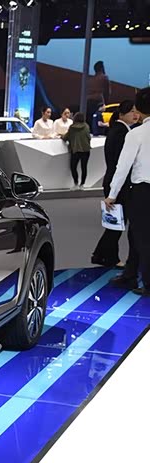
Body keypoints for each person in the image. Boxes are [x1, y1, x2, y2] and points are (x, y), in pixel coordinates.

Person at [105, 87, 150, 296]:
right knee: (138, 236)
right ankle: (131, 274)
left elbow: (122, 167)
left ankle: (146, 283)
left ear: (139, 108)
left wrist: (112, 194)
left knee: (142, 237)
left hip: (143, 192)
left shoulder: (136, 134)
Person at [93, 100, 139, 271]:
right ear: (122, 114)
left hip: (115, 182)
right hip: (118, 183)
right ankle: (108, 257)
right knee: (117, 222)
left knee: (116, 222)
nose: (135, 115)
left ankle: (102, 255)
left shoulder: (119, 130)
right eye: (131, 111)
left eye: (136, 111)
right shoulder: (121, 133)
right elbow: (122, 164)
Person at [63, 112, 92, 190]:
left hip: (75, 150)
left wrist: (62, 136)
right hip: (86, 149)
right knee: (84, 167)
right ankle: (82, 184)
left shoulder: (72, 128)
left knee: (73, 167)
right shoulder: (86, 126)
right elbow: (89, 137)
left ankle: (76, 183)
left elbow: (66, 137)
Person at [87, 61, 111, 130]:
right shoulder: (104, 77)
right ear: (102, 68)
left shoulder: (91, 79)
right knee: (98, 119)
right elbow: (107, 92)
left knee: (90, 119)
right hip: (98, 101)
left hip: (89, 101)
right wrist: (105, 103)